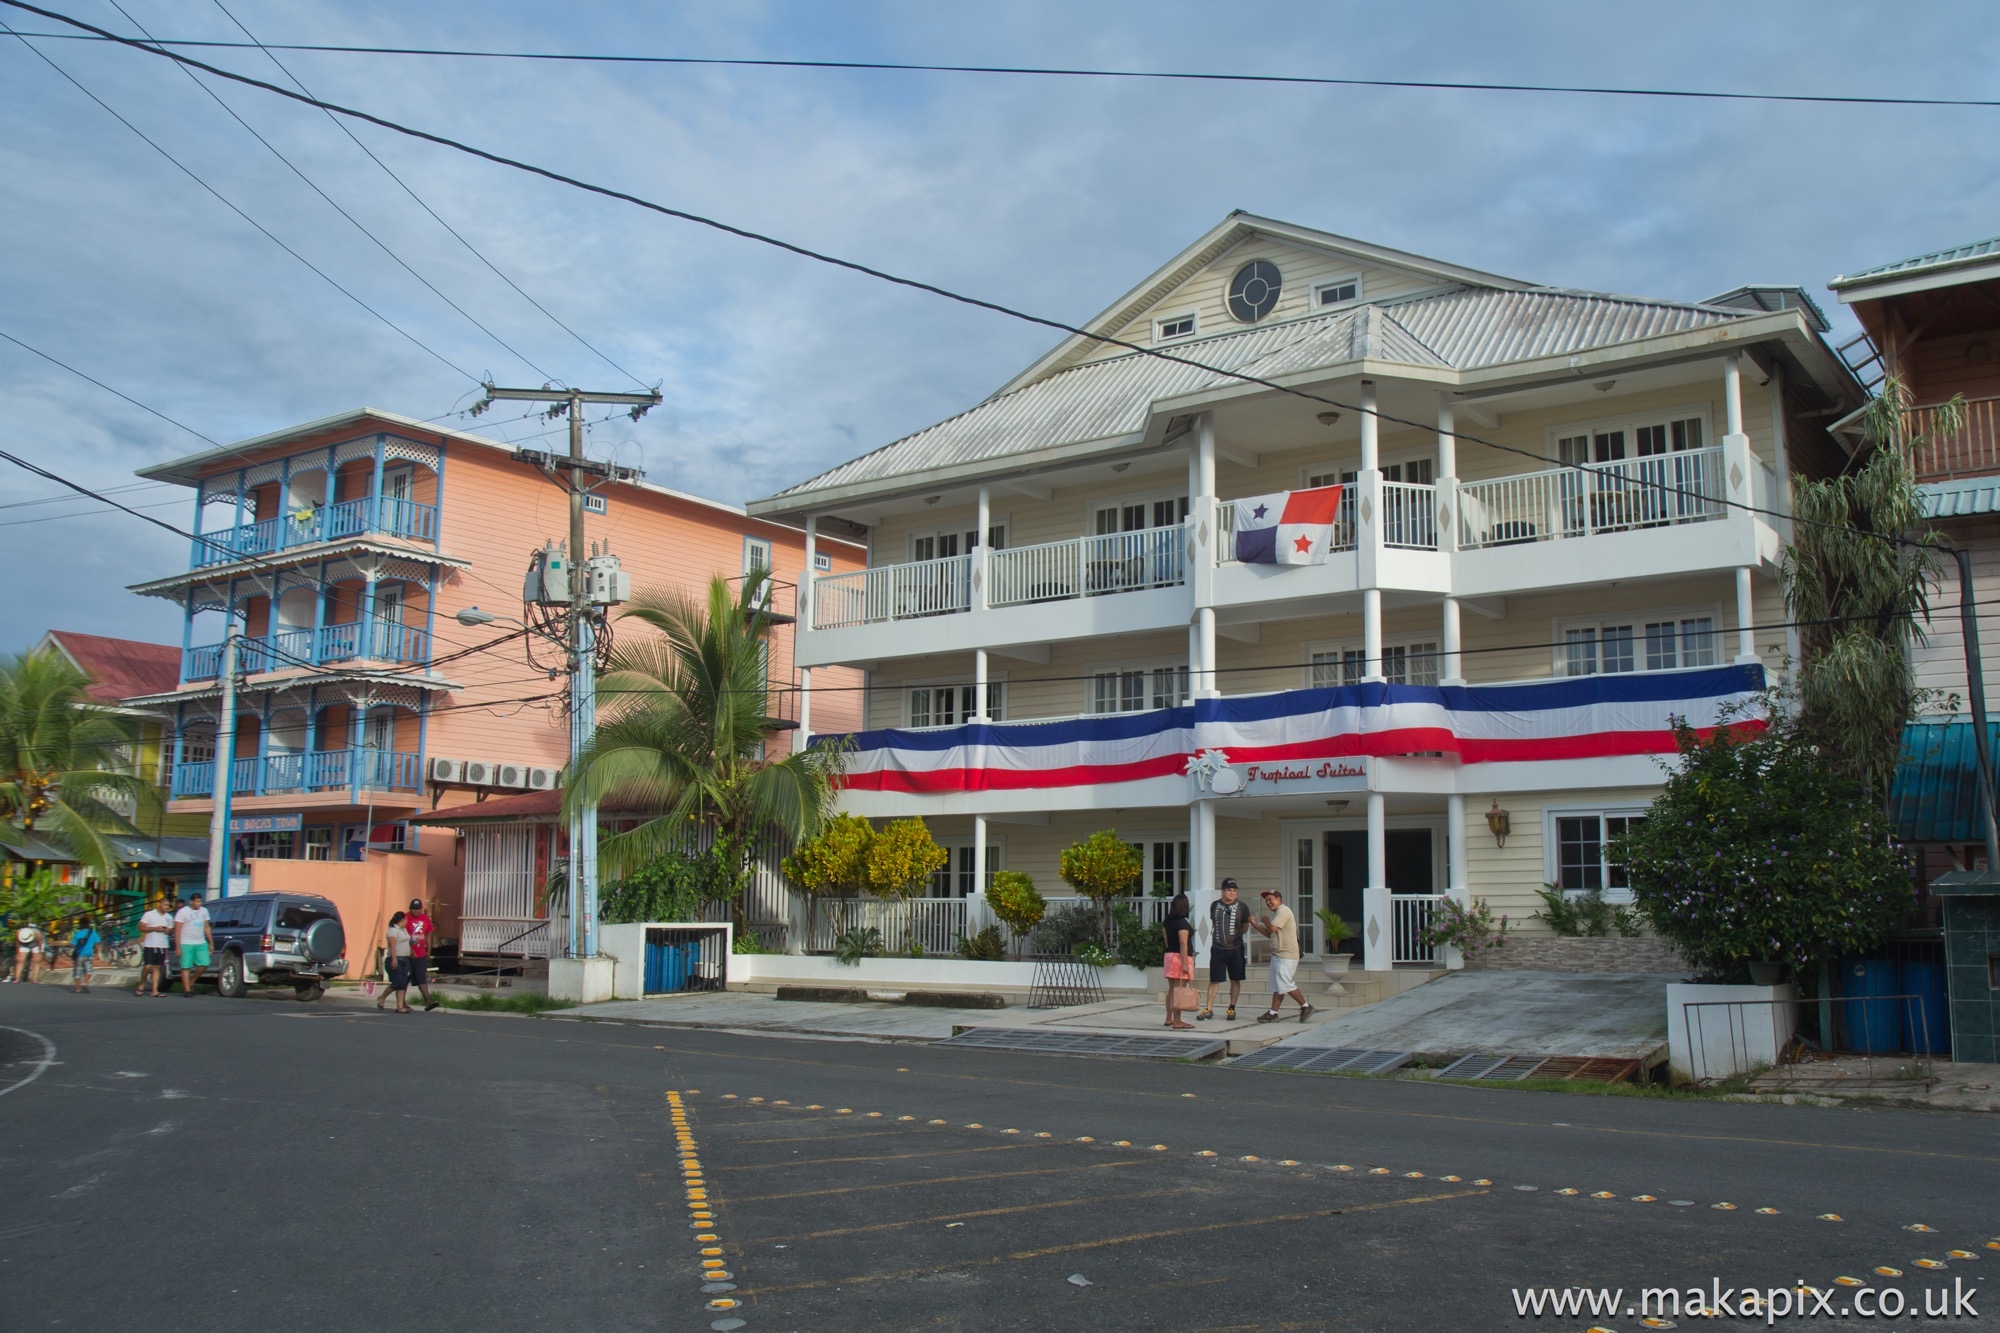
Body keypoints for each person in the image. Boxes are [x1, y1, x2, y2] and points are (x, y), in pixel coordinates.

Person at [1251, 888, 1314, 1023]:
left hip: (1287, 955)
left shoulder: (1284, 910)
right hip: (1278, 955)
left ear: (1279, 900)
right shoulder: (1276, 915)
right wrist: (1254, 924)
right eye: (1266, 900)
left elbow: (1272, 928)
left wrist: (1265, 919)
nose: (1268, 902)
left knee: (1285, 983)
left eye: (1271, 900)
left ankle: (1305, 1006)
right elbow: (1270, 934)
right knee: (1277, 986)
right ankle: (1273, 1013)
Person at [1199, 878, 1253, 1022]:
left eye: (1234, 890)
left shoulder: (1242, 907)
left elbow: (1245, 927)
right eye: (1229, 890)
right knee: (1214, 979)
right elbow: (1214, 922)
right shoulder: (1214, 905)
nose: (1232, 893)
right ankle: (1208, 1009)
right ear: (1222, 891)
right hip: (1217, 948)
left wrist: (1235, 938)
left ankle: (1232, 1008)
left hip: (1235, 948)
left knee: (1235, 979)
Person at [1160, 891, 1196, 1030]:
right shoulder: (1182, 923)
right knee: (1179, 990)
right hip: (1180, 958)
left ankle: (1168, 1018)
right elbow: (1183, 943)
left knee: (1171, 989)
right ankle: (1177, 1020)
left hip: (1169, 956)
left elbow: (1166, 939)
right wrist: (1185, 964)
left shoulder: (1167, 920)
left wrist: (1170, 949)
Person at [403, 897, 438, 1012]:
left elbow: (428, 935)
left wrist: (429, 950)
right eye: (413, 909)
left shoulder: (425, 919)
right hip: (407, 954)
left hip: (421, 953)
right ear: (410, 908)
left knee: (421, 977)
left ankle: (428, 1001)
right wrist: (409, 949)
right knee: (404, 978)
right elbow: (402, 935)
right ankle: (401, 1002)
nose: (416, 911)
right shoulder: (405, 918)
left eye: (418, 909)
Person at [174, 893, 213, 996]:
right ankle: (187, 990)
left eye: (200, 901)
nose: (198, 903)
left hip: (200, 942)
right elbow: (177, 930)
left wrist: (211, 943)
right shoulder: (183, 912)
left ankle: (192, 980)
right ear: (191, 902)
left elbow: (207, 927)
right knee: (186, 966)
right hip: (186, 942)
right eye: (196, 901)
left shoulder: (204, 911)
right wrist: (178, 947)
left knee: (204, 963)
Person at [138, 895, 175, 997]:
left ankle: (154, 990)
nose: (166, 907)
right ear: (159, 905)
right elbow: (141, 927)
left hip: (162, 945)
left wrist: (168, 931)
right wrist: (155, 928)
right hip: (150, 944)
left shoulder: (169, 917)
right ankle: (142, 983)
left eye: (168, 905)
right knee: (147, 966)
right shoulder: (149, 914)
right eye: (165, 905)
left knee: (157, 967)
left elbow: (170, 932)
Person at [377, 911, 413, 1013]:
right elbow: (392, 945)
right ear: (401, 920)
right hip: (396, 958)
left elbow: (406, 941)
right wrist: (394, 959)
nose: (407, 921)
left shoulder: (403, 930)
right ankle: (382, 997)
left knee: (403, 982)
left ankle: (400, 1006)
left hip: (405, 959)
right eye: (406, 919)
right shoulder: (393, 931)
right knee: (398, 982)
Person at [69, 918, 101, 993]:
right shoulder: (93, 933)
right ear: (88, 923)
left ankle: (77, 988)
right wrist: (97, 953)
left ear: (80, 924)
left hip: (78, 955)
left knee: (77, 972)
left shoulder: (77, 934)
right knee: (88, 971)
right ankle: (85, 983)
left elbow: (73, 945)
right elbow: (97, 943)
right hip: (88, 955)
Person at [10, 920, 44, 984]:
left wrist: (39, 952)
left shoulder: (37, 933)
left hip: (35, 944)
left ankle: (35, 979)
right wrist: (18, 952)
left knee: (36, 960)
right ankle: (17, 978)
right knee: (20, 959)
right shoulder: (19, 932)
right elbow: (17, 943)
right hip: (23, 944)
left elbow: (40, 942)